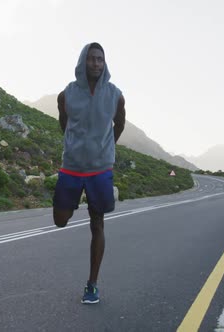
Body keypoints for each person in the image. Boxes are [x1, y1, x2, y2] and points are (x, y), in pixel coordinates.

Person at [53, 42, 126, 304]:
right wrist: (74, 144)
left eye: (101, 59)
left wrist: (106, 147)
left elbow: (120, 123)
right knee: (60, 220)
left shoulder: (115, 95)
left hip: (100, 169)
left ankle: (92, 285)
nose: (96, 63)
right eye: (92, 59)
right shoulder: (67, 95)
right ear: (83, 61)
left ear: (105, 63)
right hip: (72, 166)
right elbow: (64, 122)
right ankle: (75, 202)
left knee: (98, 224)